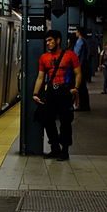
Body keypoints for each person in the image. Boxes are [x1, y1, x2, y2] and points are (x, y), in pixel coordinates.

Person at [32, 29, 82, 161]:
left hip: (65, 91)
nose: (48, 43)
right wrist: (35, 93)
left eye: (50, 40)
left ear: (58, 40)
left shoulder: (70, 55)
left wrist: (75, 88)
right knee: (48, 120)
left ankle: (65, 151)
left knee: (65, 122)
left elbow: (78, 73)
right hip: (51, 92)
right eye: (46, 41)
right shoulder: (44, 58)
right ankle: (55, 148)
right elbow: (40, 77)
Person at [73, 28, 91, 111]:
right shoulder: (85, 41)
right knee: (83, 87)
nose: (75, 33)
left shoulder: (80, 41)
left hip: (80, 67)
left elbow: (76, 54)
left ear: (79, 32)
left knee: (80, 87)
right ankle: (85, 105)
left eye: (76, 31)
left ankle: (82, 105)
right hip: (84, 66)